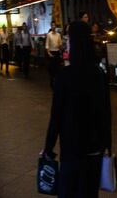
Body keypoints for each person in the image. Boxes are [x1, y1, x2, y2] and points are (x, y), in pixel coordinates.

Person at [42, 21, 111, 197]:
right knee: (89, 193)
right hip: (94, 148)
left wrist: (48, 147)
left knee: (68, 191)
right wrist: (107, 144)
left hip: (71, 148)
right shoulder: (99, 74)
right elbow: (106, 112)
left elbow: (56, 115)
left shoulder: (64, 76)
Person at [45, 22, 63, 87]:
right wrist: (49, 53)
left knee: (58, 68)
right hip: (51, 53)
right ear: (51, 26)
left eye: (54, 25)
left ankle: (57, 81)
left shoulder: (58, 35)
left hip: (57, 52)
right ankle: (52, 80)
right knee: (52, 68)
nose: (53, 26)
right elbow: (47, 45)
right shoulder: (49, 35)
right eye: (52, 25)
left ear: (56, 26)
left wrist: (61, 50)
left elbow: (60, 44)